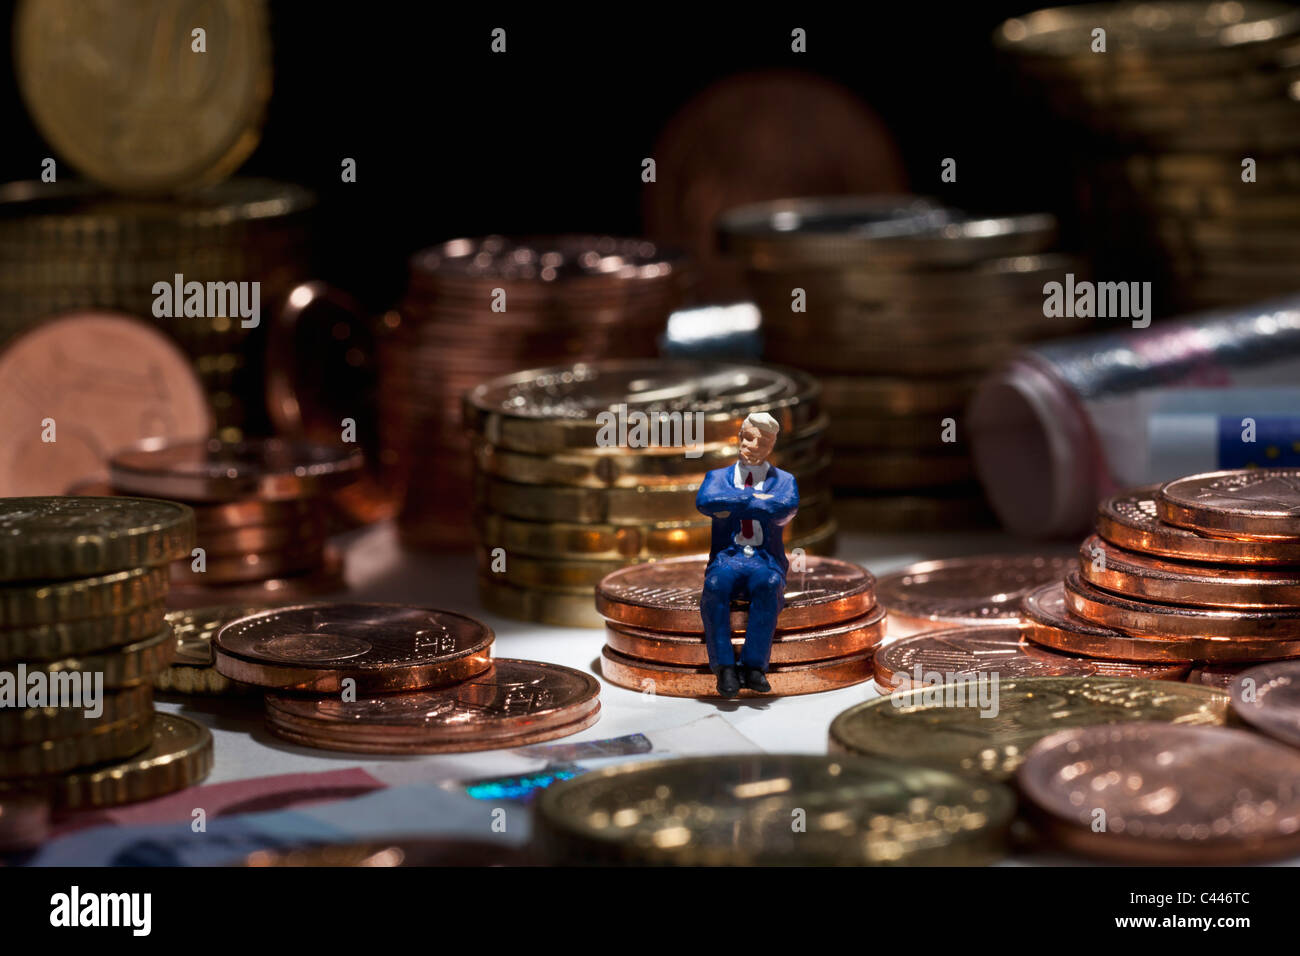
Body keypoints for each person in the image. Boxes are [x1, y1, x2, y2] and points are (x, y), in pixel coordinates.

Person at [695, 411, 799, 697]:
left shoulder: (785, 480)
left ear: (771, 446)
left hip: (764, 559)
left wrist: (735, 503)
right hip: (729, 556)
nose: (751, 444)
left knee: (767, 586)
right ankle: (724, 667)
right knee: (715, 587)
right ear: (739, 436)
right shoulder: (716, 476)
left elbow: (784, 508)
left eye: (760, 440)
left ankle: (754, 667)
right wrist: (754, 499)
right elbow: (706, 501)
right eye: (747, 436)